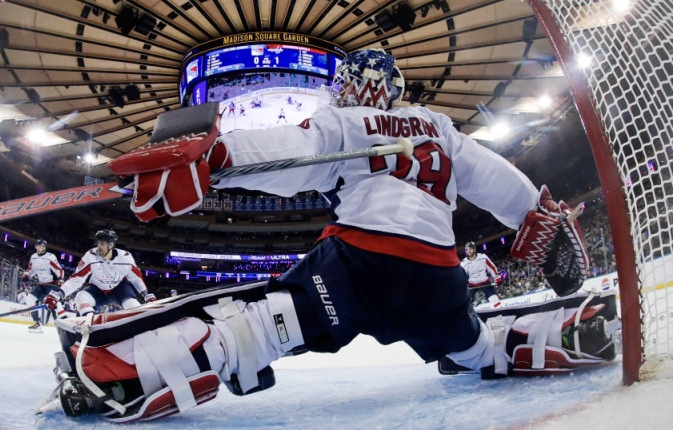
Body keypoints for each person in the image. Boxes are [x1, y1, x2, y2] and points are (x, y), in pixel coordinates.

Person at [43, 49, 613, 422]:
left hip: (359, 262)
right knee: (473, 349)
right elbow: (502, 186)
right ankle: (556, 334)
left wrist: (219, 155)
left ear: (365, 86)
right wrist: (539, 219)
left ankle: (110, 371)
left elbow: (295, 153)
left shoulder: (349, 122)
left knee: (254, 329)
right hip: (436, 278)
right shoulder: (440, 128)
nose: (340, 91)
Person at [45, 229, 156, 317]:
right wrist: (58, 294)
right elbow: (76, 279)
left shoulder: (126, 258)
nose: (99, 247)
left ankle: (139, 323)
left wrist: (146, 294)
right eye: (98, 243)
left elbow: (136, 279)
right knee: (80, 296)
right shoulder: (90, 256)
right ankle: (89, 322)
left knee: (132, 304)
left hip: (119, 288)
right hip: (97, 289)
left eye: (102, 244)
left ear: (111, 245)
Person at [21, 239, 64, 333]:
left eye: (41, 246)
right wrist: (27, 275)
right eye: (37, 246)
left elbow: (59, 270)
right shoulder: (33, 257)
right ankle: (38, 324)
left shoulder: (50, 257)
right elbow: (31, 270)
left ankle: (63, 324)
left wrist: (60, 278)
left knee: (55, 302)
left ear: (44, 247)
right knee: (29, 299)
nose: (39, 248)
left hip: (51, 284)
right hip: (42, 285)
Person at [461, 241, 502, 308]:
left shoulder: (483, 257)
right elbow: (461, 276)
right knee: (468, 307)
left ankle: (500, 314)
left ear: (474, 249)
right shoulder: (463, 263)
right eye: (467, 249)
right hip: (472, 287)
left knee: (496, 302)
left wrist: (497, 277)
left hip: (485, 284)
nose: (468, 251)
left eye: (470, 249)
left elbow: (492, 268)